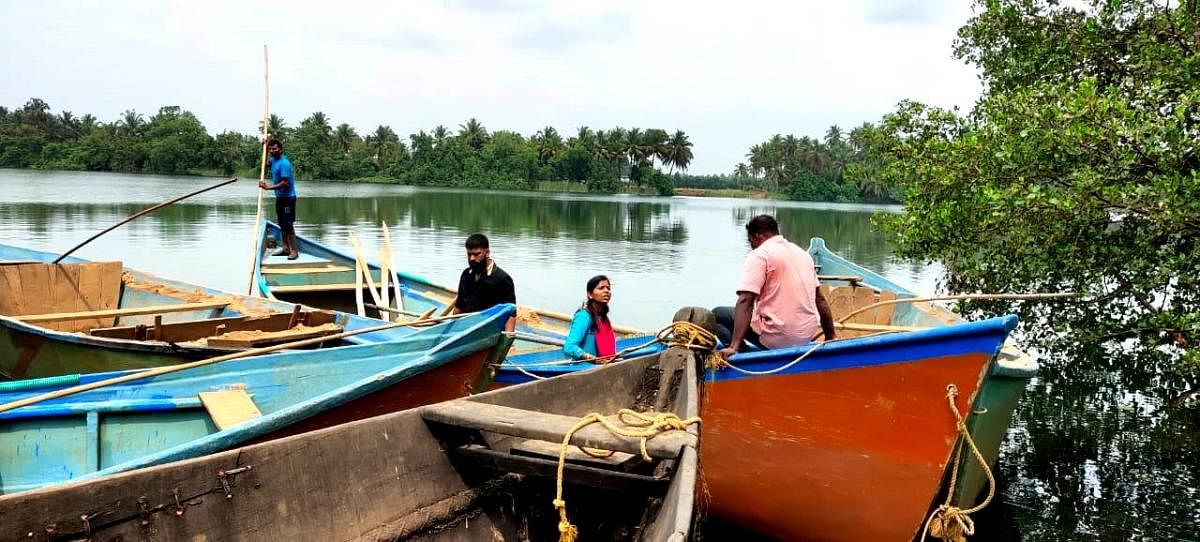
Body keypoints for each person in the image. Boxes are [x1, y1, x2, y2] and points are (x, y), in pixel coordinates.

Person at [715, 214, 835, 360]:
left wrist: (733, 345)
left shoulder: (760, 254)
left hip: (779, 339)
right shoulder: (803, 254)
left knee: (717, 315)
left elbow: (745, 300)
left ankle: (740, 356)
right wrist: (830, 336)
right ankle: (746, 352)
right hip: (805, 337)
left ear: (756, 237)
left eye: (750, 242)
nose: (751, 247)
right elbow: (820, 299)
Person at [453, 233, 516, 331]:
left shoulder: (502, 279)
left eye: (477, 254)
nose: (472, 258)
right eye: (469, 254)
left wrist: (508, 338)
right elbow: (459, 305)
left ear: (487, 253)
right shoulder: (466, 274)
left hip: (489, 330)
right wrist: (453, 329)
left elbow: (511, 312)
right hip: (466, 330)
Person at [258, 139, 298, 260]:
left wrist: (268, 187)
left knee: (288, 225)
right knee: (281, 224)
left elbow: (285, 183)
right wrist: (264, 148)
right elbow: (264, 165)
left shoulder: (284, 163)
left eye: (274, 149)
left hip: (288, 198)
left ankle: (294, 251)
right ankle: (285, 249)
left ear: (281, 150)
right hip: (280, 198)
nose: (272, 151)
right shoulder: (273, 160)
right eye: (270, 149)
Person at [563, 275, 617, 361]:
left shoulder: (603, 317)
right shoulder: (583, 316)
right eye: (601, 288)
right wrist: (590, 358)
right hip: (585, 367)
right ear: (590, 294)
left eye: (608, 288)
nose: (606, 291)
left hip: (604, 365)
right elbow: (569, 347)